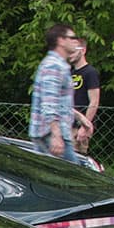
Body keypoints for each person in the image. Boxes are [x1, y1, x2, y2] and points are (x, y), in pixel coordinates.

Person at [28, 25, 80, 162]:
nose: (76, 41)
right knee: (73, 173)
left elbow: (60, 102)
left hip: (52, 132)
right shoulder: (53, 66)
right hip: (51, 133)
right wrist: (56, 135)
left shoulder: (58, 65)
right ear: (60, 40)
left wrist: (82, 119)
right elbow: (49, 103)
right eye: (72, 38)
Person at [68, 35, 101, 152]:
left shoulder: (90, 72)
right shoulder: (70, 73)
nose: (70, 54)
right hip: (67, 124)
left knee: (75, 159)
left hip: (79, 127)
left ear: (83, 50)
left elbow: (94, 101)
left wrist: (84, 126)